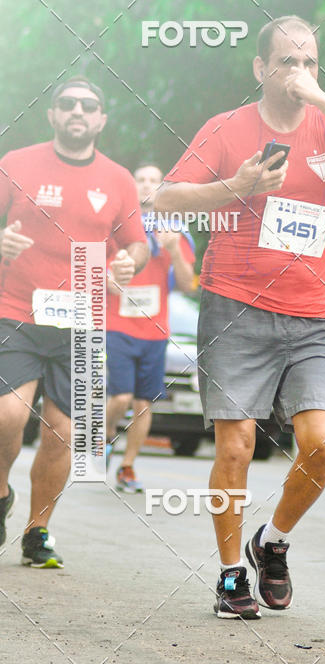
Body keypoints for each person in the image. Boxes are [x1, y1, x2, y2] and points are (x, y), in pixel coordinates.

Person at [156, 15, 325, 618]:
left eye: (309, 62)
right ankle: (231, 573)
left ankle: (274, 541)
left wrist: (320, 97)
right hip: (234, 308)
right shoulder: (227, 128)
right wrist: (235, 186)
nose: (298, 73)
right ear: (260, 69)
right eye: (287, 63)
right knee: (234, 448)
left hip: (310, 316)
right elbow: (165, 197)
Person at [0, 77, 148, 567]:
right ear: (52, 115)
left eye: (88, 105)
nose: (77, 112)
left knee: (62, 432)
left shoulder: (119, 179)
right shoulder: (15, 165)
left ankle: (37, 530)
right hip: (14, 310)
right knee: (8, 416)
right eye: (67, 104)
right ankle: (1, 493)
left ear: (101, 119)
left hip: (82, 323)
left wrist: (130, 262)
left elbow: (137, 244)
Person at [105, 163, 195, 492]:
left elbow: (187, 285)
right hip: (117, 325)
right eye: (140, 180)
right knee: (121, 396)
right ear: (131, 186)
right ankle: (106, 434)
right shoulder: (117, 227)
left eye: (153, 181)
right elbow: (97, 269)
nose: (146, 186)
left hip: (156, 332)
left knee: (144, 403)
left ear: (162, 188)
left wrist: (172, 249)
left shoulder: (175, 231)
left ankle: (127, 466)